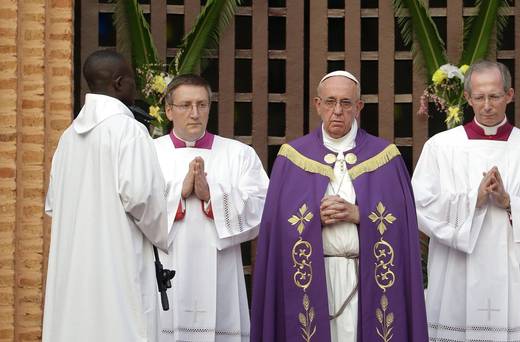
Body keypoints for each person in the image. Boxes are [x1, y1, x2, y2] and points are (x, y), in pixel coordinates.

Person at [250, 70, 428, 342]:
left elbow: (404, 227)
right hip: (313, 276)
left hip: (367, 277)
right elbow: (275, 229)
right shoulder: (292, 158)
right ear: (317, 105)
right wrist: (312, 218)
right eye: (330, 102)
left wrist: (360, 214)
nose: (337, 111)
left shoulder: (385, 157)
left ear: (359, 107)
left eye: (346, 103)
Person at [411, 60, 520, 341]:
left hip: (514, 273)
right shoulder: (441, 148)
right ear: (467, 98)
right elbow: (420, 204)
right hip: (456, 271)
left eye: (495, 96)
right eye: (480, 97)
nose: (487, 105)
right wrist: (475, 199)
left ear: (509, 95)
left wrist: (510, 203)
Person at [43, 50, 168, 341]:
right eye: (133, 81)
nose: (135, 88)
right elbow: (141, 199)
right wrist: (165, 226)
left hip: (73, 272)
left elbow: (53, 207)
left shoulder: (68, 138)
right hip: (117, 264)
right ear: (119, 83)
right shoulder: (129, 131)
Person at [153, 74, 269, 342]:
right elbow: (134, 208)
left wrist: (212, 197)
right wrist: (179, 194)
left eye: (202, 105)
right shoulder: (149, 153)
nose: (195, 113)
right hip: (166, 267)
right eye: (185, 105)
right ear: (169, 110)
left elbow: (262, 207)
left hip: (220, 271)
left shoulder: (238, 154)